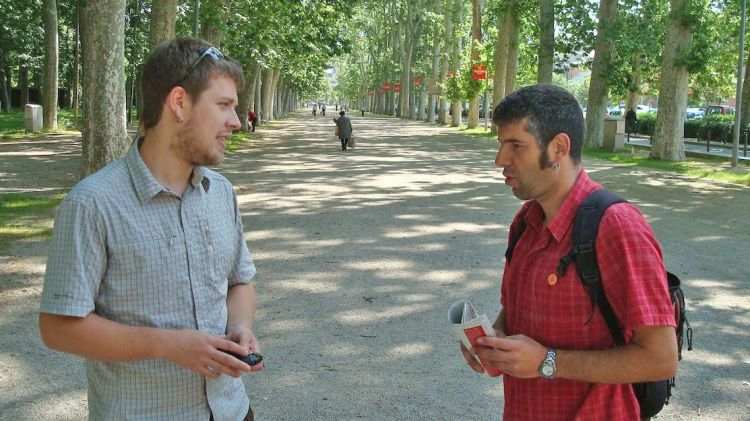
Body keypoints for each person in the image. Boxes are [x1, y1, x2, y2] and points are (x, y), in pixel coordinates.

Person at [39, 37, 263, 420]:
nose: (236, 122)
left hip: (231, 409)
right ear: (179, 102)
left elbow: (240, 281)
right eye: (224, 105)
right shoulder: (92, 204)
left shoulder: (220, 193)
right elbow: (58, 326)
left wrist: (241, 326)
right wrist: (169, 345)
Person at [461, 84, 677, 420]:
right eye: (501, 144)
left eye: (516, 145)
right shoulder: (524, 224)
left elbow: (661, 358)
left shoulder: (617, 226)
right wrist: (494, 346)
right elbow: (513, 316)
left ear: (559, 147)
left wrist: (547, 362)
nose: (500, 160)